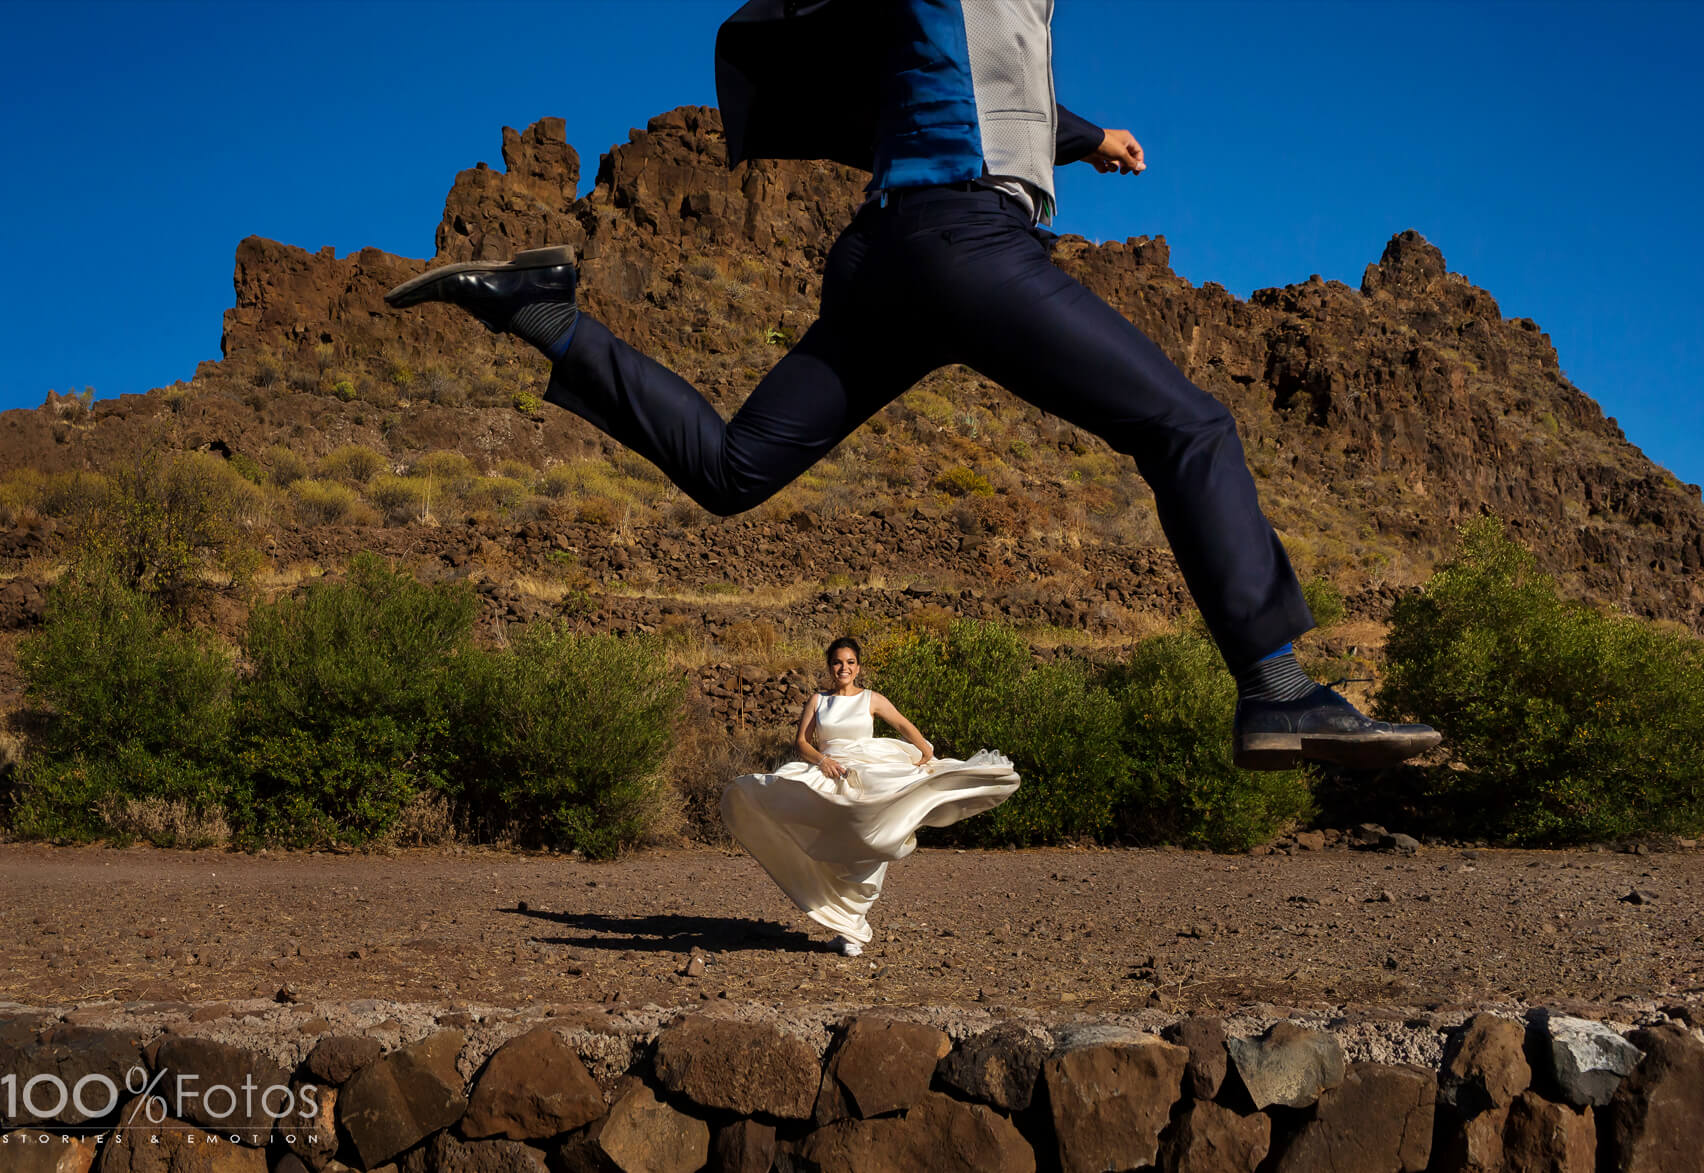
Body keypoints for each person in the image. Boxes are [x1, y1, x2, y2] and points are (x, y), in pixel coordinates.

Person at [384, 0, 1440, 771]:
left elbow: (998, 90)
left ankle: (539, 314)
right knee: (1190, 425)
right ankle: (1275, 688)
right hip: (964, 243)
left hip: (887, 261)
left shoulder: (1006, 20)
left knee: (734, 468)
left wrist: (1087, 137)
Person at [719, 637, 1018, 955]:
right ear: (829, 666)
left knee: (871, 837)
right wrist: (823, 760)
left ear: (858, 667)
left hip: (869, 773)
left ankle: (852, 926)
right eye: (837, 662)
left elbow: (903, 724)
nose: (843, 668)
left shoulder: (872, 699)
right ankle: (848, 927)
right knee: (830, 846)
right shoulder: (818, 701)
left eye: (849, 662)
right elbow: (802, 743)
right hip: (829, 773)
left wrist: (926, 750)